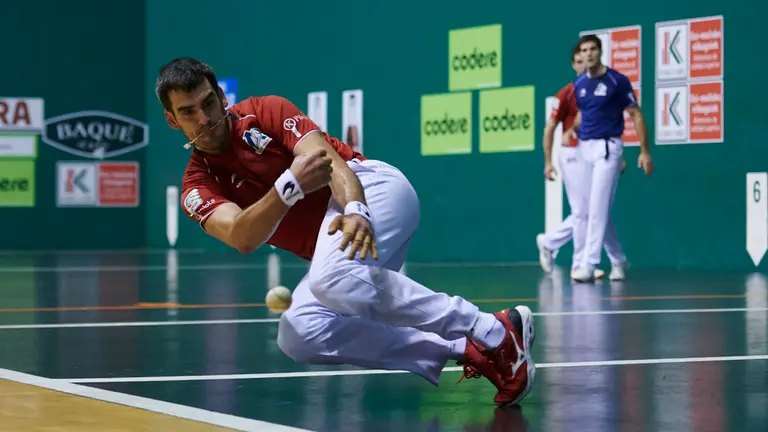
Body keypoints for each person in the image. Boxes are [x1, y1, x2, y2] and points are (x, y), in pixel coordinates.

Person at [155, 57, 535, 406]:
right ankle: (465, 349)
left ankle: (492, 329)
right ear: (173, 120)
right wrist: (288, 187)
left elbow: (332, 164)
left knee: (330, 280)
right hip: (333, 246)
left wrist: (355, 208)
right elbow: (241, 236)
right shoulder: (196, 186)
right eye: (188, 112)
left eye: (208, 103)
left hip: (374, 190)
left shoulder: (266, 111)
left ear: (221, 97)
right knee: (298, 332)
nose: (204, 118)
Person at [564, 35, 654, 283]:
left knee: (597, 209)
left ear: (600, 51)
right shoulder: (580, 83)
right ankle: (619, 259)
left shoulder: (617, 81)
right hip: (585, 149)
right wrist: (571, 130)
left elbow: (636, 115)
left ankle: (589, 264)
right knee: (594, 210)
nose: (588, 54)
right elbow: (585, 113)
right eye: (584, 50)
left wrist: (644, 151)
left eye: (593, 49)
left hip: (608, 149)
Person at [537, 45, 628, 281]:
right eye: (578, 61)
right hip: (572, 155)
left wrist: (616, 157)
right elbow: (550, 128)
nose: (583, 64)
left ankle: (556, 244)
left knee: (598, 210)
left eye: (585, 60)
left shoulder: (603, 88)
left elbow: (607, 126)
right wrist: (548, 162)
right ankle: (581, 263)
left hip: (596, 155)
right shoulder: (569, 92)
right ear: (573, 65)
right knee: (583, 212)